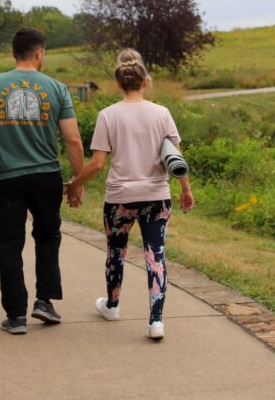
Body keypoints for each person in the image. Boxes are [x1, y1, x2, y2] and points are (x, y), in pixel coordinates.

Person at [0, 28, 84, 335]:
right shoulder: (56, 88)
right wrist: (78, 180)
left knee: (8, 242)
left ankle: (15, 316)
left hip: (6, 177)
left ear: (13, 52)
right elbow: (72, 139)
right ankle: (44, 301)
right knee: (47, 237)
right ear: (40, 53)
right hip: (46, 177)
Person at [66, 49, 194, 340]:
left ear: (118, 83)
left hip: (120, 199)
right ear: (145, 81)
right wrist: (186, 189)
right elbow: (175, 156)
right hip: (157, 195)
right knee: (156, 254)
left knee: (116, 252)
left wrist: (75, 183)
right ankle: (156, 322)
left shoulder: (108, 115)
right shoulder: (162, 113)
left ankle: (112, 305)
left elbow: (98, 164)